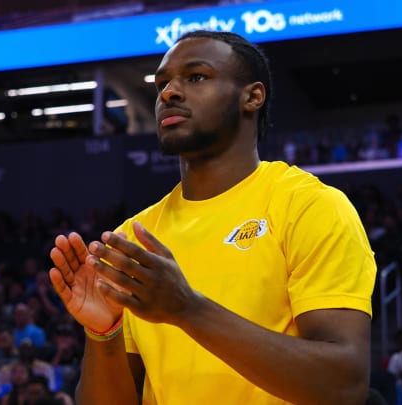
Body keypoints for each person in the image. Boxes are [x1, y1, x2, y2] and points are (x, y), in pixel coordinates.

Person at [49, 30, 376, 404]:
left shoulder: (307, 206)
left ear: (252, 96)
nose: (168, 92)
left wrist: (187, 308)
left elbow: (344, 386)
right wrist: (103, 334)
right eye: (162, 83)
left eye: (196, 77)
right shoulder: (135, 237)